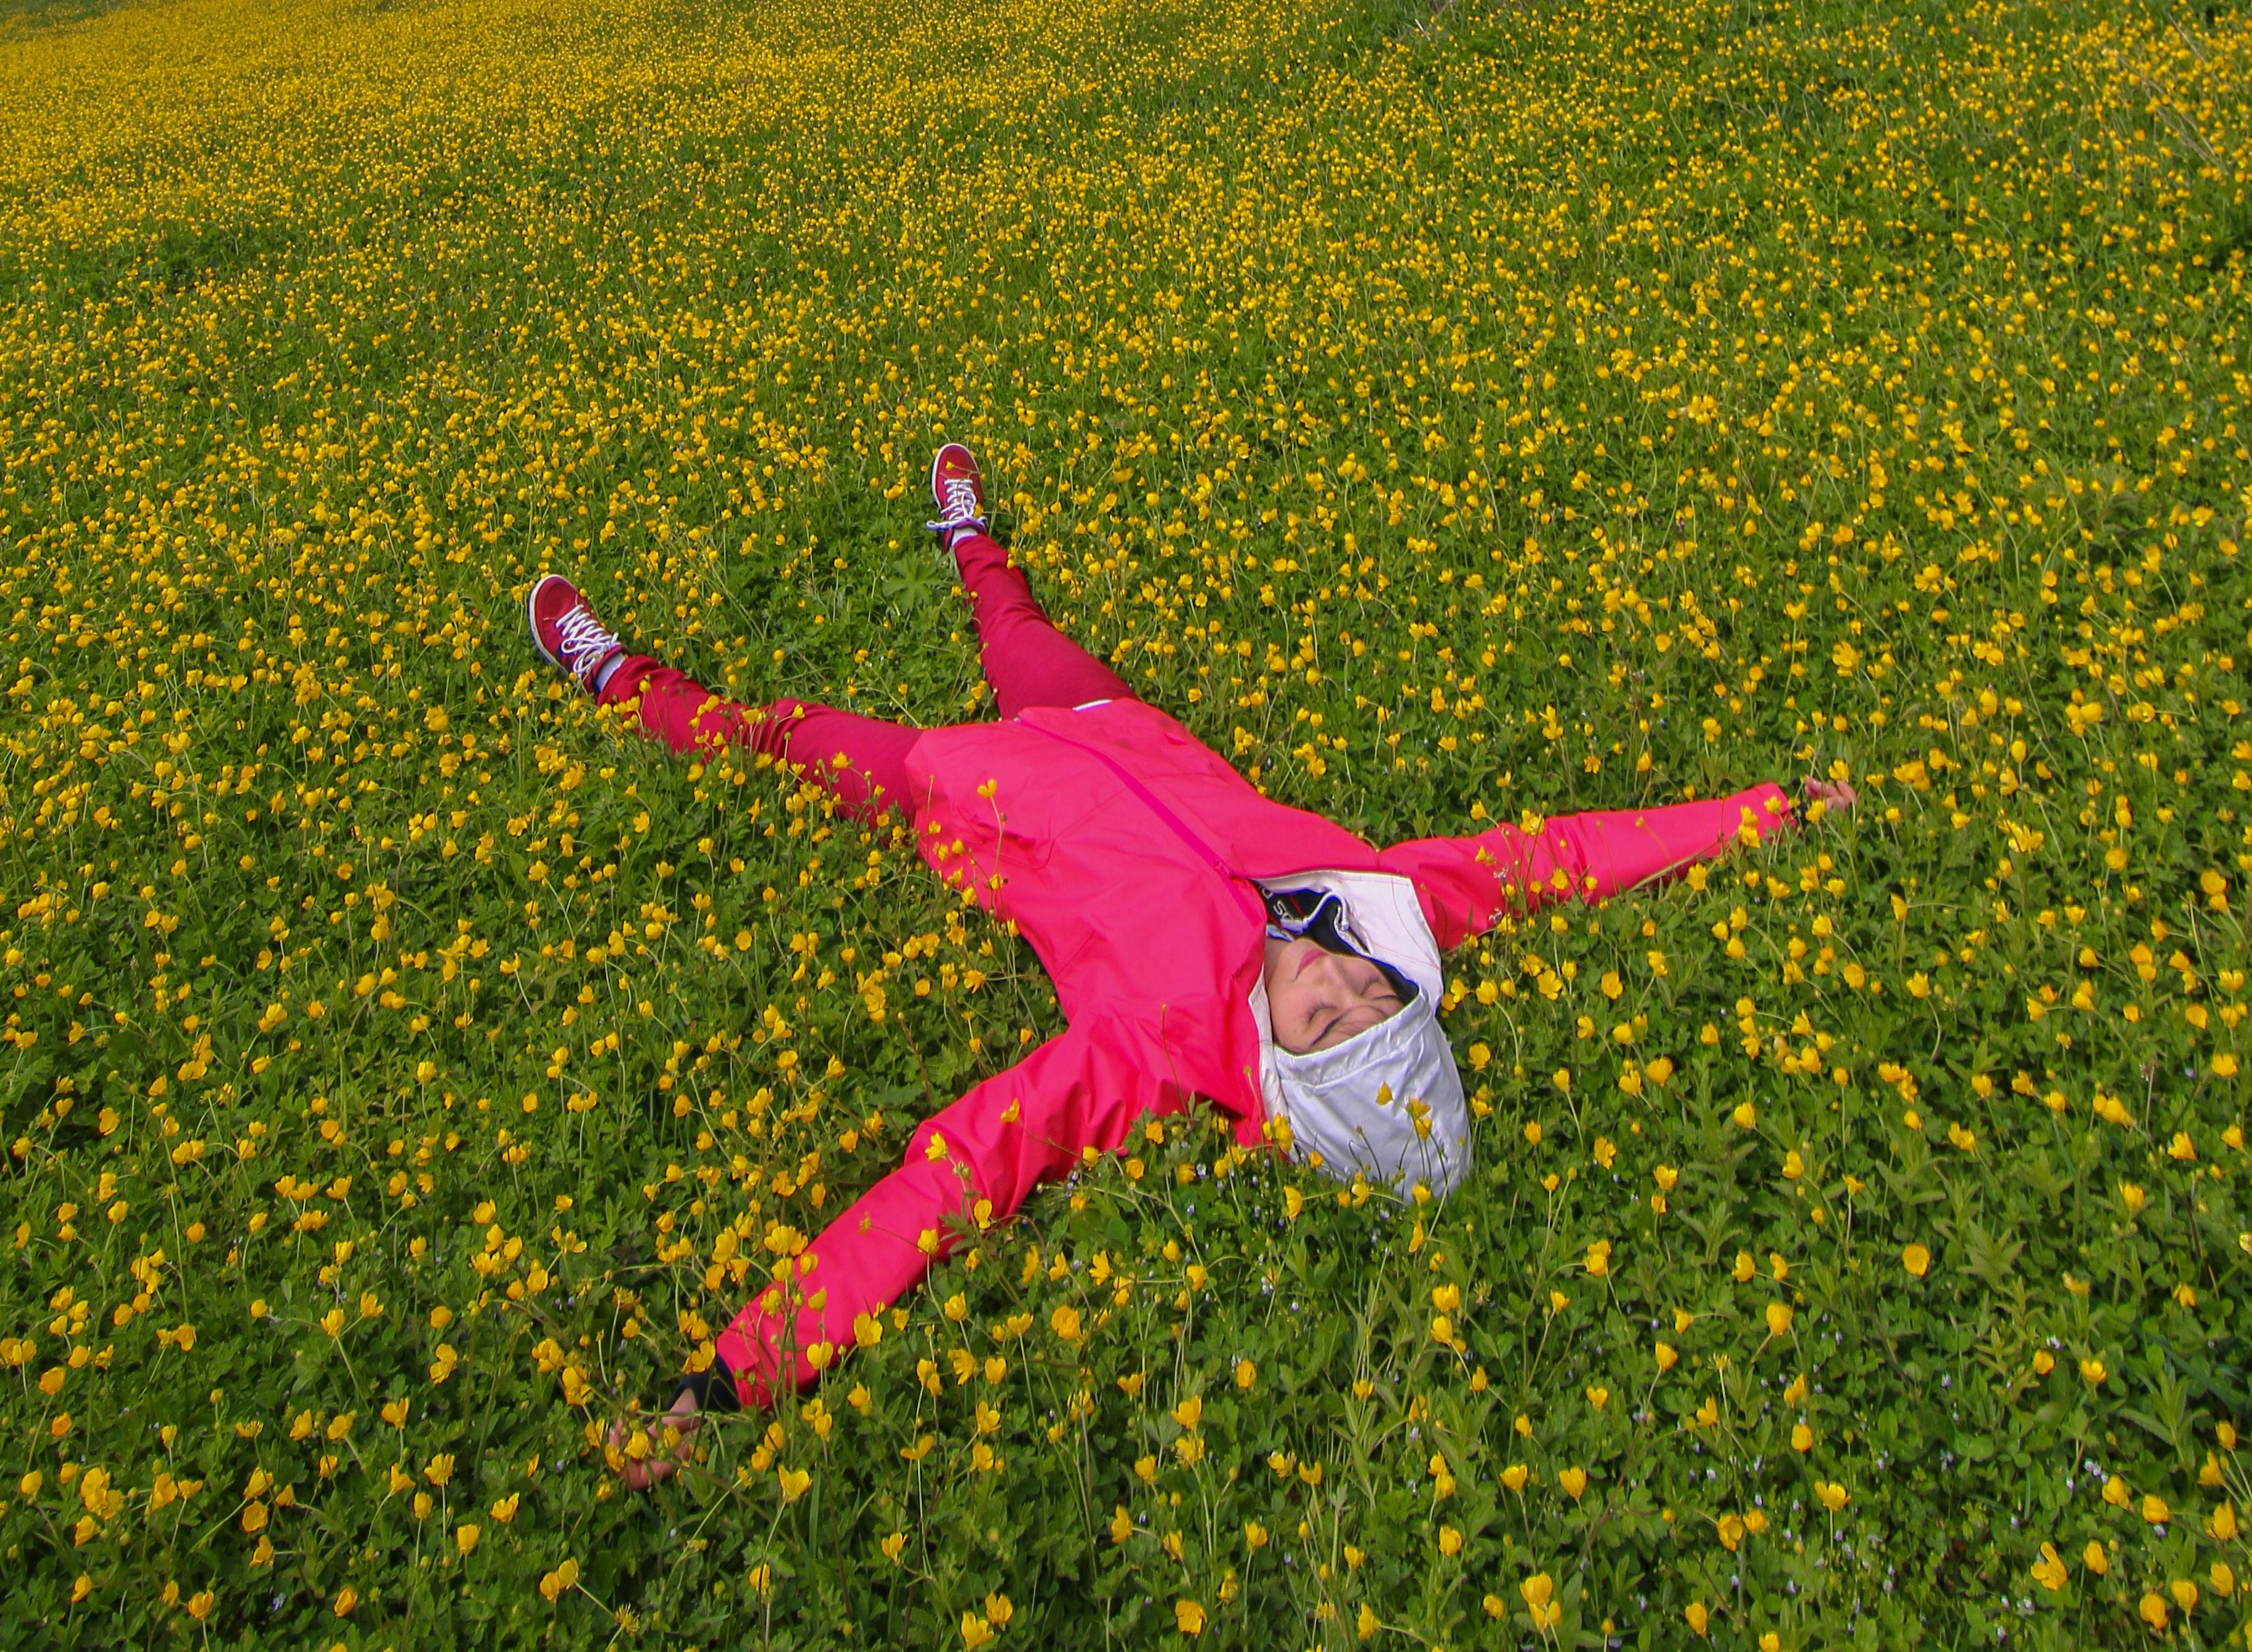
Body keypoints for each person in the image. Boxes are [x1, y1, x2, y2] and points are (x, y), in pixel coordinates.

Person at [525, 442, 1850, 1488]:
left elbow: (964, 1164)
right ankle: (970, 540)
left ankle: (616, 675)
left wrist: (742, 1371)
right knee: (1012, 626)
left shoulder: (1140, 1060)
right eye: (1370, 992)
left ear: (1281, 1079)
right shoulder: (1381, 905)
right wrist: (1764, 812)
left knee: (785, 734)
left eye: (1322, 1020)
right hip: (1113, 726)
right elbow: (1551, 856)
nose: (1324, 977)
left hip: (972, 797)